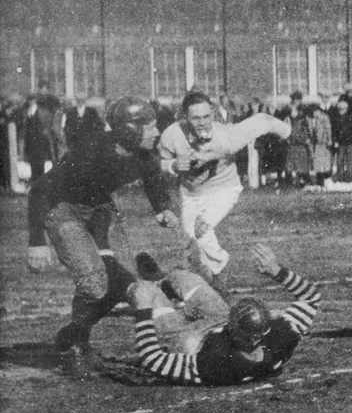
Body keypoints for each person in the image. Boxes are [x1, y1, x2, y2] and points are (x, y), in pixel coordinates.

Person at [27, 96, 177, 373]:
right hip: (64, 209)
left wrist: (162, 209)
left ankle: (73, 332)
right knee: (95, 284)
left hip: (100, 209)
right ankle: (77, 346)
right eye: (151, 126)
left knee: (125, 282)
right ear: (130, 129)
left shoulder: (143, 154)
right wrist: (37, 242)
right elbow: (39, 190)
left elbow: (153, 177)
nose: (157, 132)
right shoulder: (90, 150)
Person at [129, 244, 321, 385]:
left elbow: (152, 359)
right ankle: (162, 284)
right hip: (222, 330)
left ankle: (153, 293)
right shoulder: (280, 339)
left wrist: (143, 310)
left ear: (233, 327)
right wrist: (276, 270)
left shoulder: (217, 364)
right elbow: (311, 298)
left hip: (191, 343)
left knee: (142, 289)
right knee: (181, 277)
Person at [157, 92, 291, 289]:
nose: (202, 123)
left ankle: (221, 273)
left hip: (224, 189)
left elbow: (262, 120)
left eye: (206, 117)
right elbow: (158, 163)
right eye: (195, 118)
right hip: (191, 194)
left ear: (212, 114)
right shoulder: (172, 134)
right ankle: (201, 282)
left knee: (202, 229)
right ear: (184, 117)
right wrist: (173, 166)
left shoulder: (228, 137)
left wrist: (286, 131)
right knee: (188, 241)